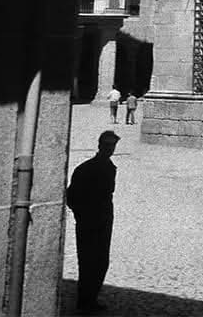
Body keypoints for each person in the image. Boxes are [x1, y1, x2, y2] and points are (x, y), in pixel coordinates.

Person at [66, 130, 119, 314]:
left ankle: (91, 298)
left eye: (112, 146)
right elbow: (71, 196)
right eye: (107, 146)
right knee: (88, 261)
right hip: (89, 222)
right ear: (99, 145)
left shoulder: (110, 167)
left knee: (101, 261)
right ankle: (85, 301)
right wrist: (83, 216)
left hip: (104, 221)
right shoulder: (85, 168)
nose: (110, 149)